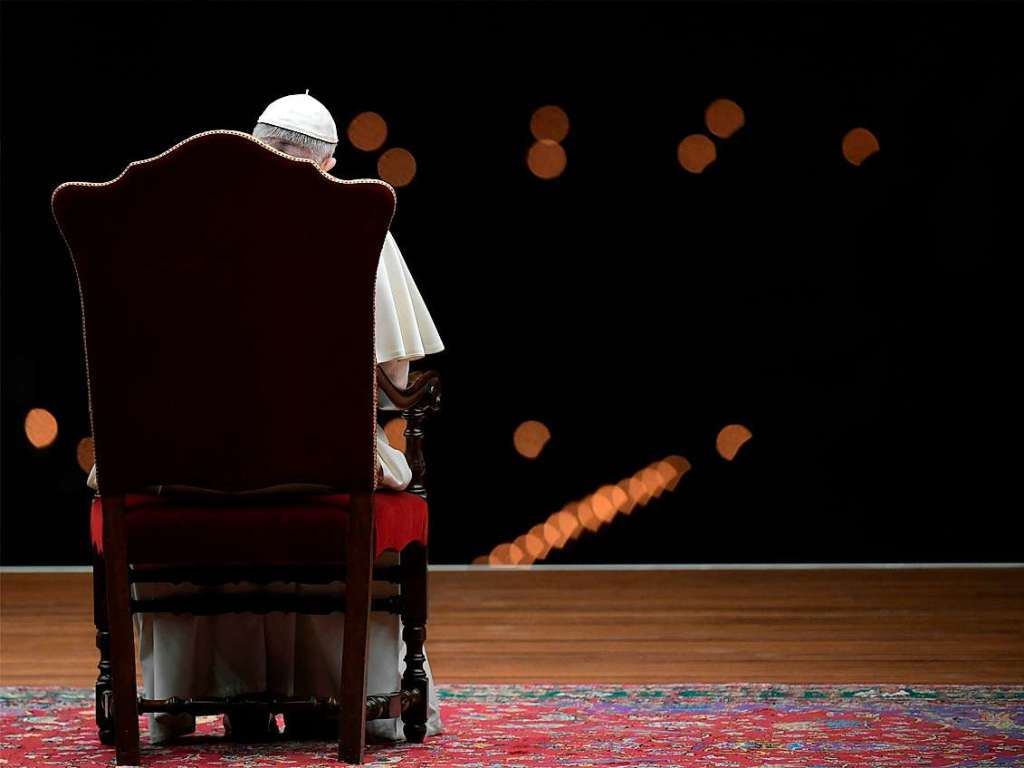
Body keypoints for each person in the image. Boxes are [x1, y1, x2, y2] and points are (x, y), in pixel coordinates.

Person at [86, 91, 445, 743]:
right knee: (374, 466)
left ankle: (204, 689)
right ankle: (331, 692)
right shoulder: (356, 220)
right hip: (322, 469)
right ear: (329, 163)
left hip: (179, 470)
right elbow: (396, 377)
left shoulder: (162, 222)